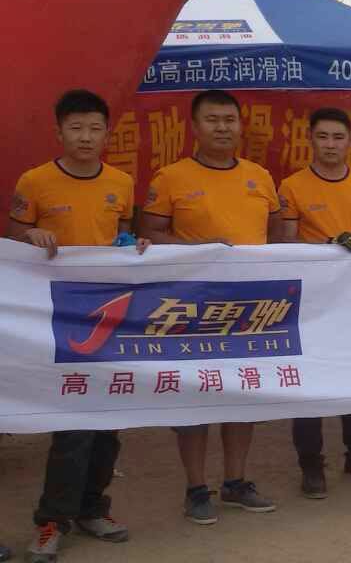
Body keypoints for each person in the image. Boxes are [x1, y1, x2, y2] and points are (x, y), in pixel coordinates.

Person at [8, 90, 148, 562]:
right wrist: (30, 234)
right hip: (55, 317)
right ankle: (52, 521)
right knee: (72, 423)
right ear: (59, 132)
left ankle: (92, 508)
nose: (86, 137)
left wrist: (135, 245)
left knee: (109, 420)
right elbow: (12, 237)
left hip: (111, 312)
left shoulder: (121, 182)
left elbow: (123, 233)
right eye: (76, 128)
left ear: (107, 134)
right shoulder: (35, 181)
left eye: (94, 128)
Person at [138, 89, 280, 525]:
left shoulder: (260, 177)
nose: (223, 128)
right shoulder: (170, 177)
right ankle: (196, 488)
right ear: (194, 127)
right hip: (192, 306)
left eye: (229, 120)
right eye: (213, 120)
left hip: (251, 305)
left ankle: (236, 482)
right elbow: (150, 234)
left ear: (241, 126)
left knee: (244, 392)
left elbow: (278, 239)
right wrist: (198, 249)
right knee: (195, 395)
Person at [276, 108, 351, 495]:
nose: (331, 144)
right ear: (310, 139)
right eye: (323, 136)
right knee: (307, 382)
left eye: (338, 137)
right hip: (310, 300)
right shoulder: (292, 186)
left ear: (350, 142)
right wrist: (328, 245)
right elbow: (285, 242)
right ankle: (311, 465)